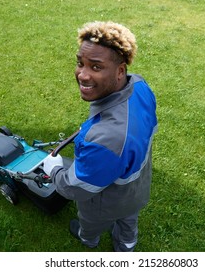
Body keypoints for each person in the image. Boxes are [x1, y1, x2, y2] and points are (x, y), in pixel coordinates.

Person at [43, 21, 158, 252]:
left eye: (96, 67)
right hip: (137, 189)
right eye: (80, 63)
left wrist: (54, 169)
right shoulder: (139, 85)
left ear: (120, 71)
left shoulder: (105, 138)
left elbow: (76, 188)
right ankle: (126, 244)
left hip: (105, 203)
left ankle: (89, 240)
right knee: (128, 219)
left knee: (90, 222)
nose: (82, 75)